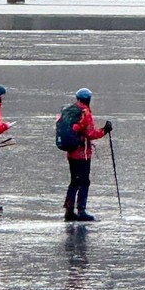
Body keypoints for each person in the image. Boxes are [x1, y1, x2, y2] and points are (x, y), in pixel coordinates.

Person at [62, 88, 112, 222]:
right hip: (82, 154)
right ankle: (81, 210)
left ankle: (69, 209)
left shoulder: (69, 111)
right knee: (84, 181)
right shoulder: (85, 113)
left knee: (74, 181)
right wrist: (104, 131)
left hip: (71, 152)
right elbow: (90, 134)